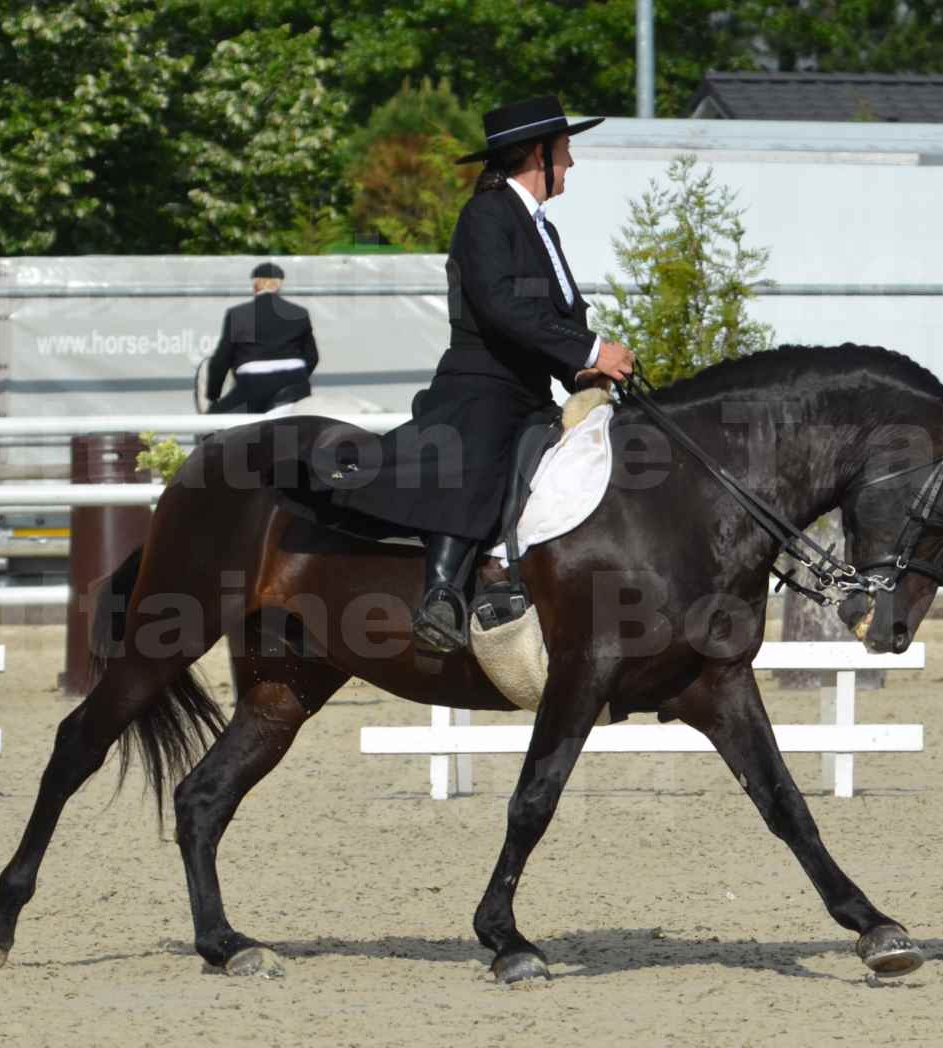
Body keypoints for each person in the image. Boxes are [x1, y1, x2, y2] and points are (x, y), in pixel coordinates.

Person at [326, 95, 636, 654]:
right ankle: (441, 593)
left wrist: (589, 371)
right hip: (482, 383)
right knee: (482, 444)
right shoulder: (486, 216)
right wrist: (590, 348)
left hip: (530, 387)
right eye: (565, 152)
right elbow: (500, 307)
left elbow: (561, 314)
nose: (571, 164)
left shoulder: (544, 230)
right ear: (537, 155)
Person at [206, 262, 319, 414]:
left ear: (255, 285)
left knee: (212, 422)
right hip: (295, 386)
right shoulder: (299, 313)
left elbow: (221, 360)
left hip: (253, 385)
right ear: (279, 285)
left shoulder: (239, 314)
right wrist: (298, 378)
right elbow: (312, 357)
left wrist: (213, 395)